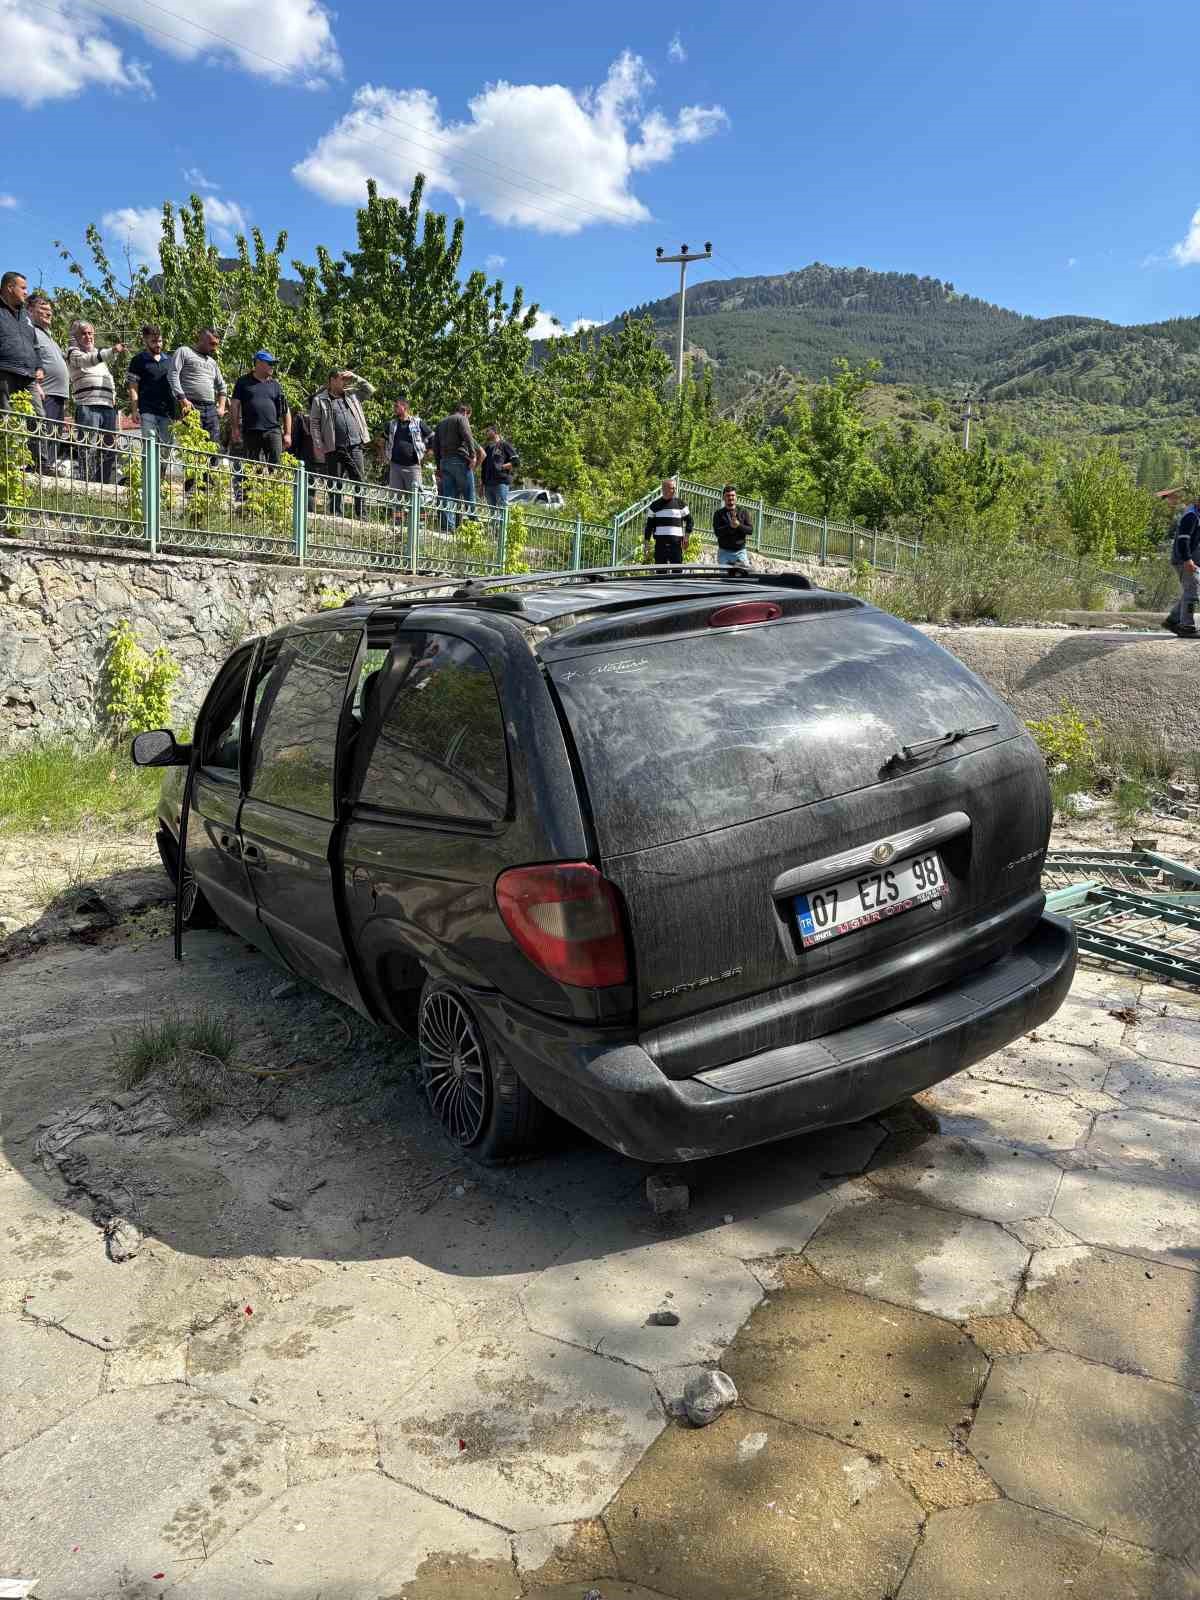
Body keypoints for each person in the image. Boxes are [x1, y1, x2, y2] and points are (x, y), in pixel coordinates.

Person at [310, 368, 375, 518]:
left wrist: (355, 377)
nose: (345, 381)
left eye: (346, 379)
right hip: (334, 447)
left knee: (359, 479)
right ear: (332, 380)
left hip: (355, 445)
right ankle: (336, 514)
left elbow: (370, 390)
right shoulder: (319, 400)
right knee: (335, 481)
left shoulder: (352, 394)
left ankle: (362, 515)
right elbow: (314, 424)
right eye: (342, 379)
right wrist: (319, 445)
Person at [67, 321, 125, 485]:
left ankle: (103, 483)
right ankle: (86, 482)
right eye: (84, 333)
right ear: (76, 337)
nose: (88, 337)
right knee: (88, 446)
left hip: (107, 406)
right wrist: (111, 351)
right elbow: (88, 360)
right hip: (88, 405)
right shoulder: (74, 353)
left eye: (90, 333)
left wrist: (113, 396)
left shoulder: (100, 357)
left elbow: (109, 378)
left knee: (109, 447)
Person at [26, 292, 69, 471]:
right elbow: (28, 359)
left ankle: (48, 467)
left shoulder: (49, 336)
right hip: (45, 391)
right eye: (43, 309)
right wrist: (36, 384)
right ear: (30, 311)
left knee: (55, 434)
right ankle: (38, 467)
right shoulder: (30, 331)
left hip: (59, 394)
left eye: (50, 309)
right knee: (43, 430)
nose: (49, 312)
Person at [231, 351, 291, 464]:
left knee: (276, 466)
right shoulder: (243, 382)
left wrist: (287, 434)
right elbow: (235, 405)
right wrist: (235, 429)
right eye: (270, 364)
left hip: (273, 431)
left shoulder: (275, 385)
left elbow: (286, 410)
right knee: (251, 467)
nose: (272, 367)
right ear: (258, 363)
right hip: (251, 431)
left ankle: (274, 477)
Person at [169, 328, 227, 445]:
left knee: (213, 446)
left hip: (211, 409)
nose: (215, 348)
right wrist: (182, 399)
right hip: (190, 406)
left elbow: (222, 387)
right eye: (212, 344)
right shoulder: (184, 351)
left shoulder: (212, 362)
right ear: (202, 340)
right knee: (191, 445)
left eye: (217, 344)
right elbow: (172, 375)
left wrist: (221, 407)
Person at [127, 325, 175, 453]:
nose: (158, 344)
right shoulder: (137, 360)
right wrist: (134, 410)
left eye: (160, 341)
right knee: (150, 450)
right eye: (153, 341)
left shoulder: (170, 361)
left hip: (168, 412)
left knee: (166, 452)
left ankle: (163, 469)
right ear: (145, 341)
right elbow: (133, 387)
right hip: (147, 411)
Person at [0, 271, 40, 413]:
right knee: (6, 416)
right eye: (23, 288)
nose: (26, 292)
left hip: (29, 375)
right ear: (10, 287)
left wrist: (39, 367)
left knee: (39, 416)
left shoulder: (26, 315)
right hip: (4, 372)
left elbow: (35, 345)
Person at [434, 401, 478, 527]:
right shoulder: (461, 419)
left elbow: (435, 446)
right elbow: (468, 436)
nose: (468, 419)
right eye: (469, 416)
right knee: (469, 494)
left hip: (445, 462)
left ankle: (448, 527)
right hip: (459, 460)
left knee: (448, 496)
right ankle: (474, 526)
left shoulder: (441, 423)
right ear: (465, 412)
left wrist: (438, 466)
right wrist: (473, 456)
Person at [1164, 500, 1200, 638]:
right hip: (1184, 562)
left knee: (1190, 593)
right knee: (1192, 595)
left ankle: (1173, 620)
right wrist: (1187, 559)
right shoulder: (1191, 516)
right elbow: (1183, 540)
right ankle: (1187, 626)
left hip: (1189, 561)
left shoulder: (1196, 515)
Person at [384, 395, 432, 494]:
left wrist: (427, 456)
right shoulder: (391, 424)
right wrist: (383, 455)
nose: (394, 409)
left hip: (413, 467)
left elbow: (432, 437)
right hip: (395, 467)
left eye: (396, 406)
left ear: (404, 407)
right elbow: (381, 439)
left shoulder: (417, 422)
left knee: (416, 498)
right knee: (395, 499)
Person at [643, 477, 693, 570]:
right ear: (664, 489)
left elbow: (690, 521)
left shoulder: (680, 504)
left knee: (677, 572)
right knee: (660, 572)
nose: (674, 490)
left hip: (676, 544)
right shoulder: (654, 506)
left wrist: (686, 538)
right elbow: (649, 526)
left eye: (674, 488)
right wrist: (646, 544)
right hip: (660, 545)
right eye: (672, 488)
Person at [712, 484, 754, 570]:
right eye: (728, 495)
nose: (730, 498)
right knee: (724, 577)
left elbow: (750, 530)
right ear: (723, 498)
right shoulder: (718, 514)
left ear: (736, 497)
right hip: (724, 552)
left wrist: (739, 525)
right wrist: (730, 526)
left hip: (740, 552)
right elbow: (717, 532)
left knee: (743, 576)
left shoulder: (743, 512)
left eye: (732, 495)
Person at [481, 424, 519, 511]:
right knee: (491, 510)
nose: (486, 433)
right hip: (488, 484)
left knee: (502, 507)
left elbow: (516, 461)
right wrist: (482, 484)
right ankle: (494, 521)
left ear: (495, 432)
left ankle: (503, 521)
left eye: (488, 430)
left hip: (501, 482)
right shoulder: (487, 449)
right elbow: (484, 467)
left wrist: (501, 467)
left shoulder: (505, 445)